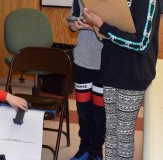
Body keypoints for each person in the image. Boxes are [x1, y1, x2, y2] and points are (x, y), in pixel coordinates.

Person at [82, 0, 160, 159]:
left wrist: (101, 25)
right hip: (111, 70)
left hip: (133, 74)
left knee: (123, 135)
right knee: (111, 132)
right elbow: (112, 35)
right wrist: (95, 26)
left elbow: (141, 44)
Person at [68, 0, 105, 159]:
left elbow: (115, 31)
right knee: (83, 111)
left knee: (98, 112)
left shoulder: (114, 4)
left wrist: (91, 26)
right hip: (82, 61)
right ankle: (84, 146)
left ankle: (96, 149)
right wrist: (74, 25)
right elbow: (72, 20)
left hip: (104, 64)